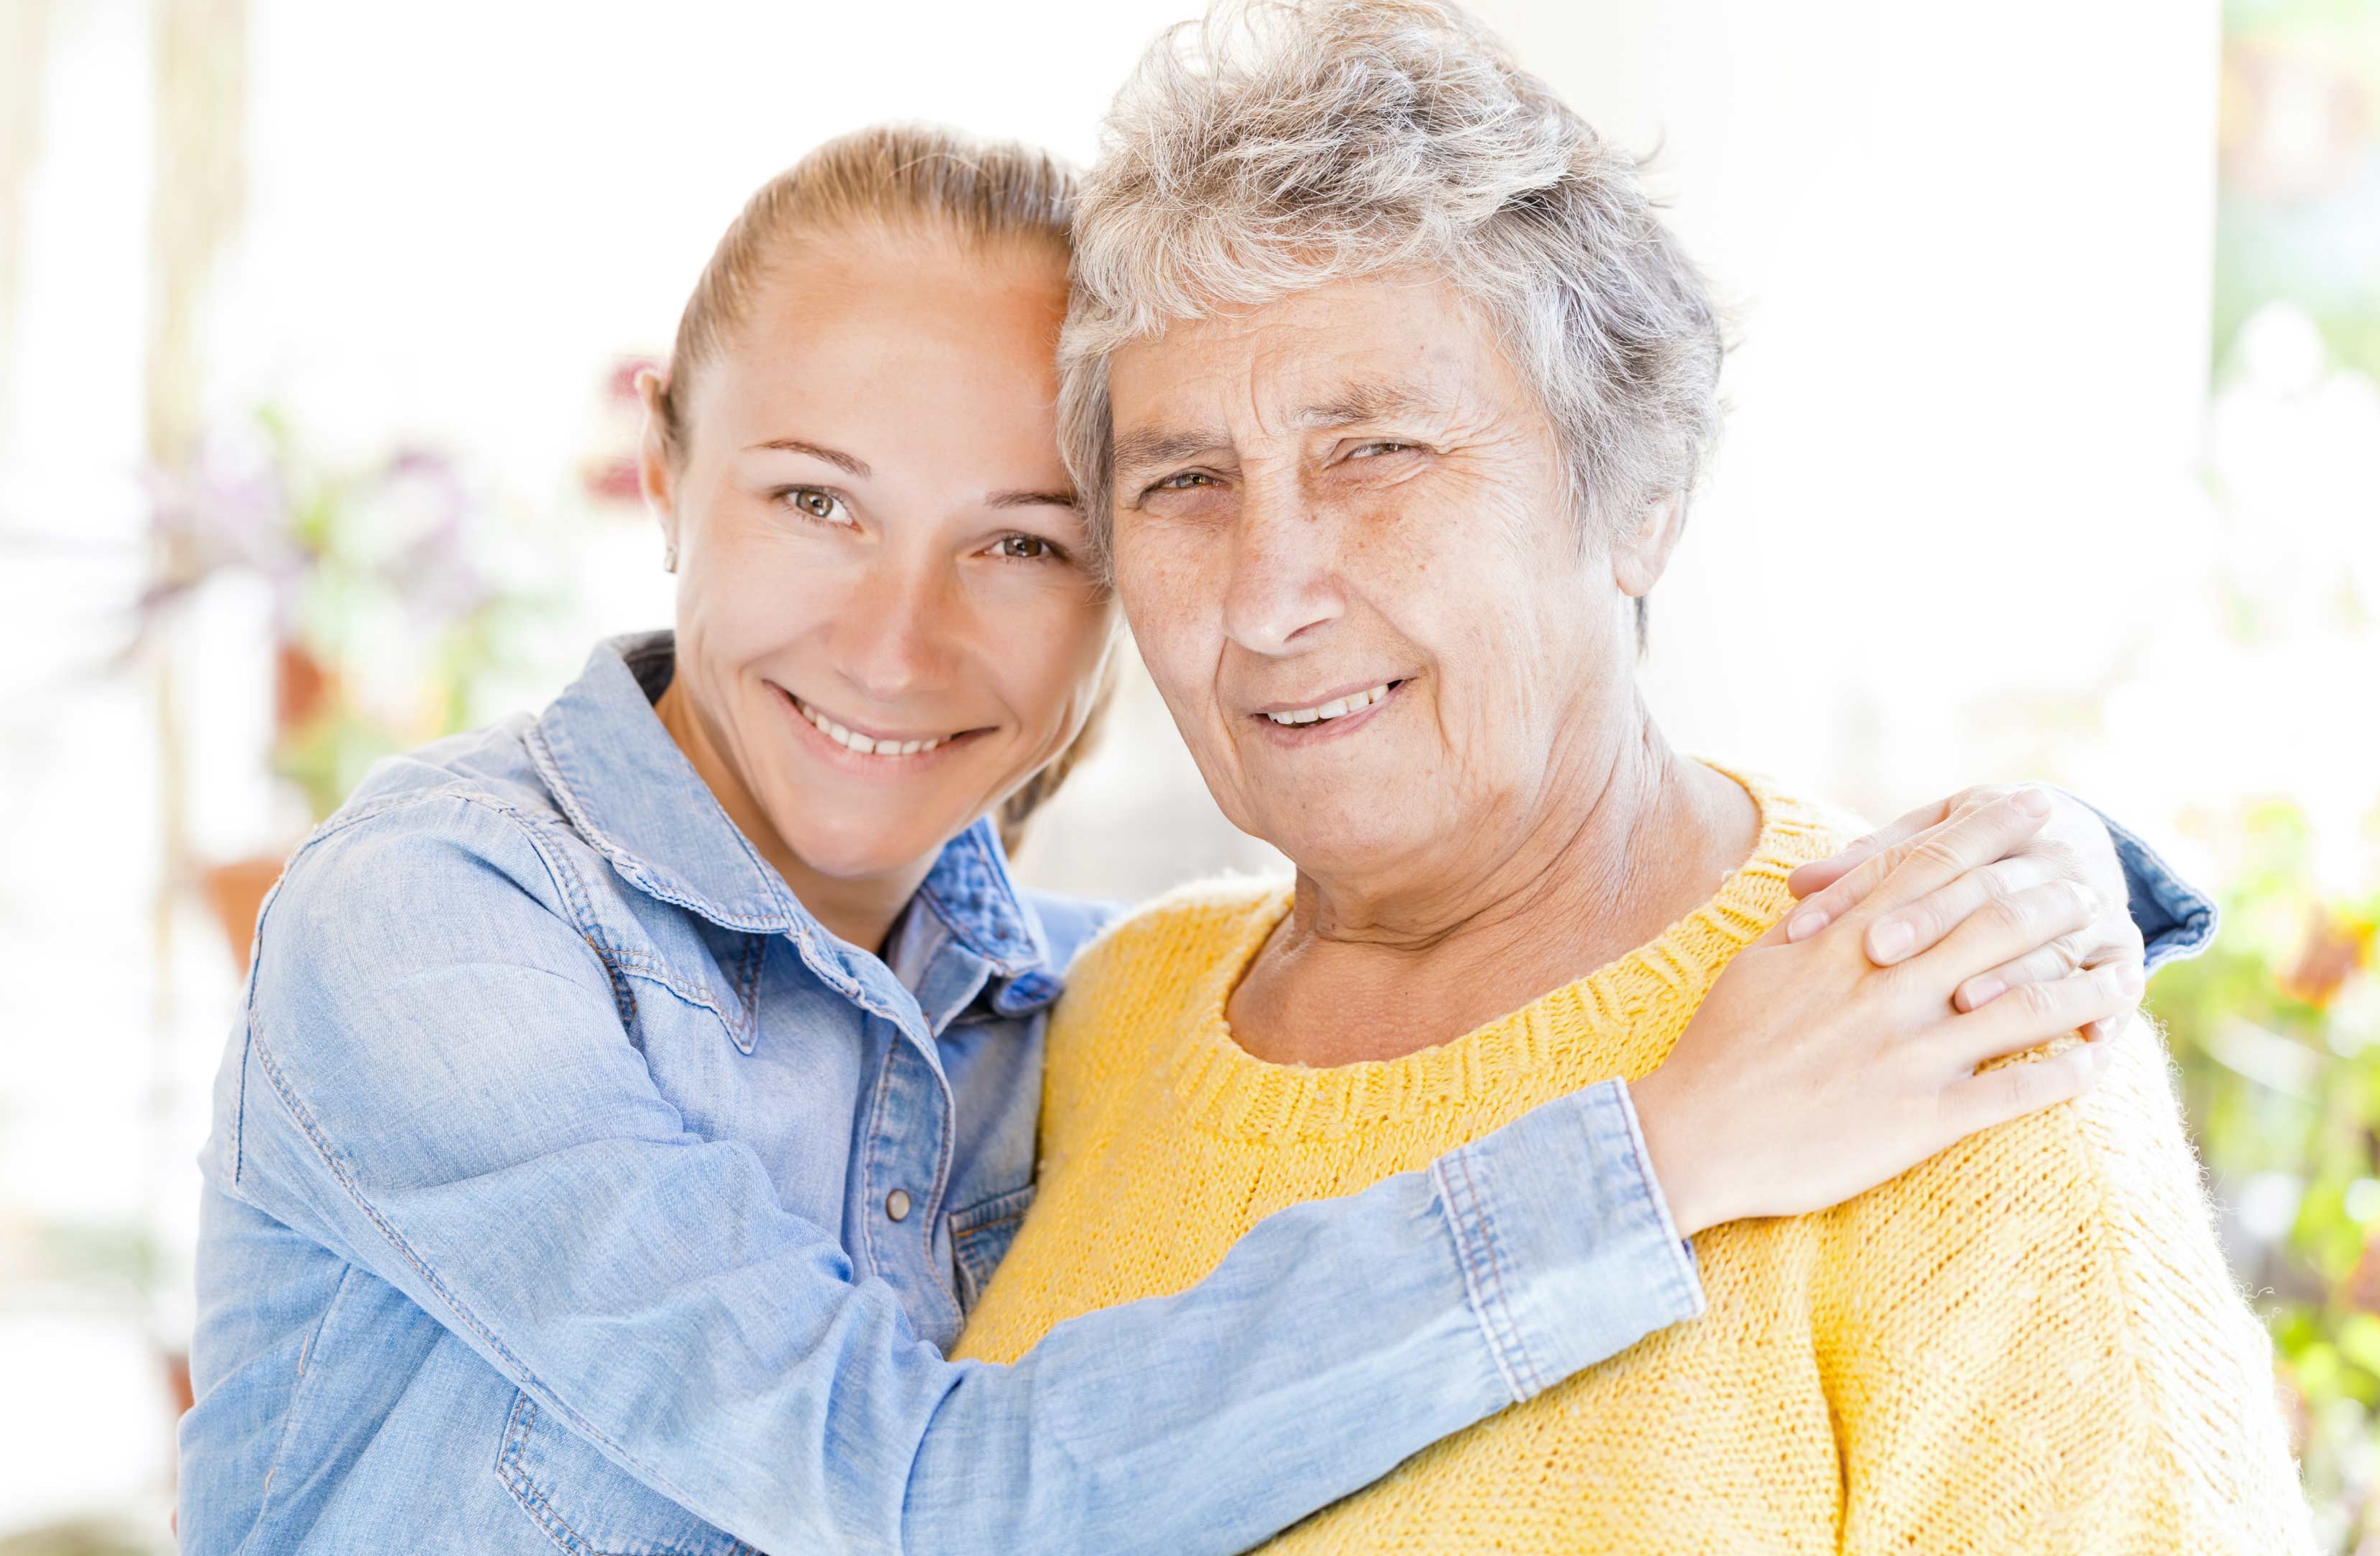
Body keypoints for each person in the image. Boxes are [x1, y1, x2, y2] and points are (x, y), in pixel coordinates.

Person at [177, 120, 2211, 1555]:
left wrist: (2049, 874)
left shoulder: (1075, 1001)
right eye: (815, 501)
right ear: (667, 473)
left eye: (1028, 538)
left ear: (1640, 496)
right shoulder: (449, 926)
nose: (898, 636)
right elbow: (922, 1501)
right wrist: (1656, 1157)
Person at [950, 4, 2311, 1551]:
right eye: (1186, 482)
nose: (1268, 598)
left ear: (1641, 496)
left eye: (1376, 452)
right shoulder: (1103, 1026)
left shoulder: (1950, 1041)